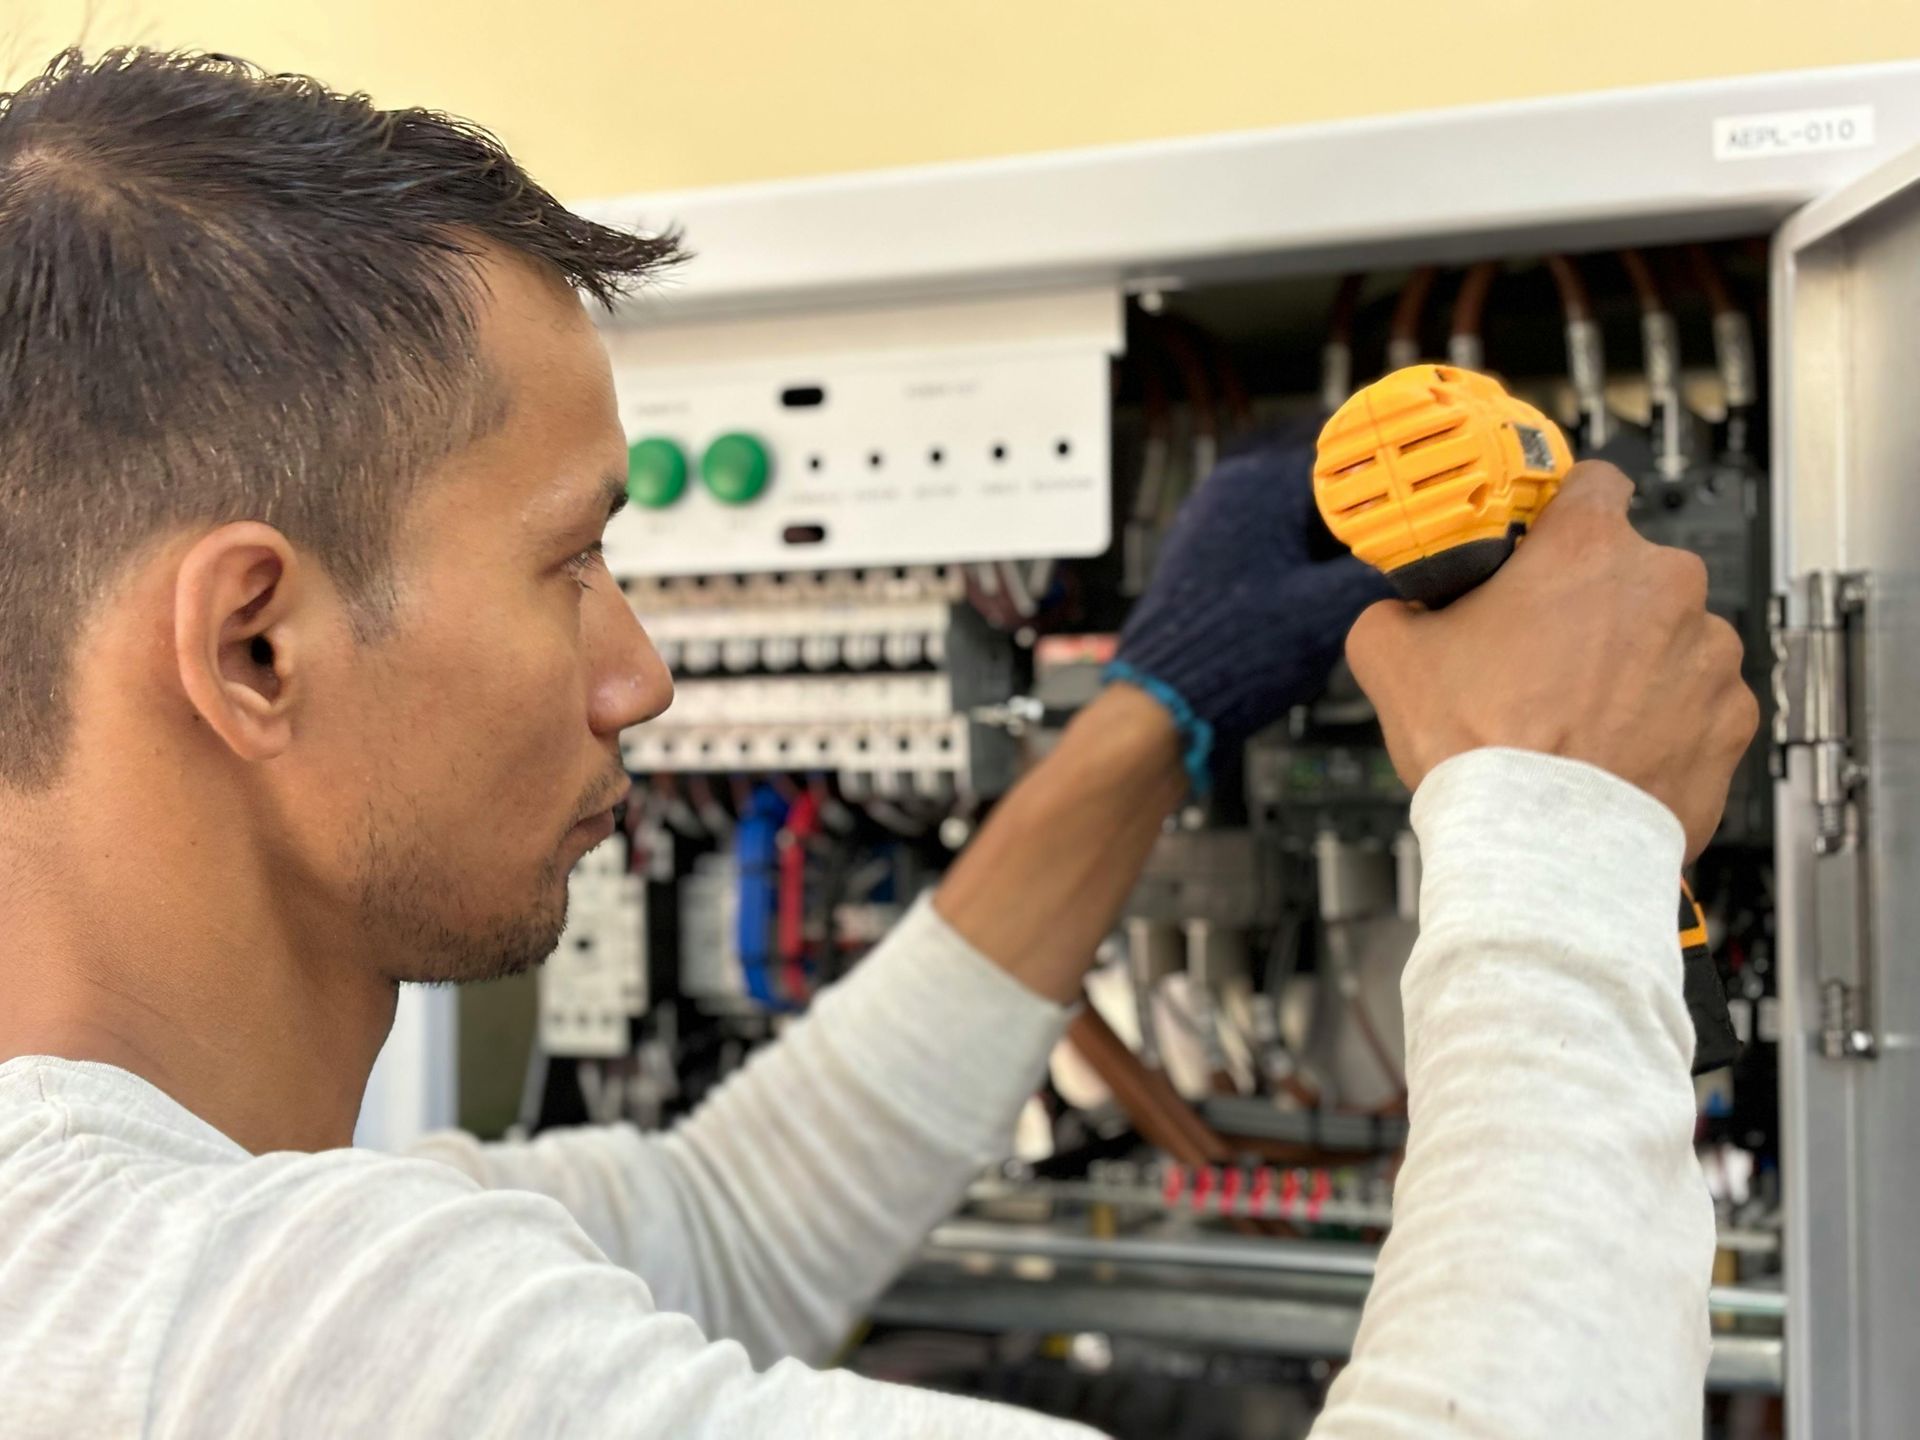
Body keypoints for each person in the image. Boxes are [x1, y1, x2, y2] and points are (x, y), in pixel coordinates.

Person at [0, 48, 1757, 1440]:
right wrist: (1560, 831)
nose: (641, 672)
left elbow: (729, 1225)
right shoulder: (250, 1350)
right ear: (253, 644)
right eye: (572, 560)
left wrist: (1152, 709)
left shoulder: (126, 1271)